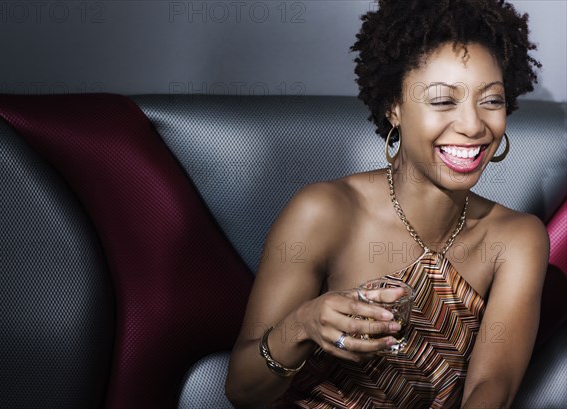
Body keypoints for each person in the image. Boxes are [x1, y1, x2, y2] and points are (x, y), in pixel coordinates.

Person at [225, 0, 548, 407]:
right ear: (394, 107)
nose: (473, 125)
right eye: (443, 100)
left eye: (491, 100)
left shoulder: (517, 239)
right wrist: (303, 325)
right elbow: (241, 391)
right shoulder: (323, 212)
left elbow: (491, 389)